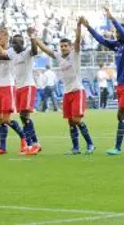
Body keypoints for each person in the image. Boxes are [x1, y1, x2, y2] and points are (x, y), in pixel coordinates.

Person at [82, 5, 124, 155]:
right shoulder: (117, 46)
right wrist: (88, 26)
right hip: (121, 84)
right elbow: (101, 39)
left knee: (121, 113)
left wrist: (112, 18)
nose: (116, 34)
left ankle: (117, 147)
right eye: (115, 32)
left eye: (118, 32)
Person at [32, 17, 95, 154]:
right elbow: (46, 49)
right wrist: (35, 39)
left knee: (77, 120)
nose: (63, 48)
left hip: (77, 91)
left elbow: (78, 40)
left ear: (70, 47)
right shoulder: (59, 56)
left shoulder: (75, 55)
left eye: (66, 46)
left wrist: (78, 26)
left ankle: (90, 144)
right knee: (70, 122)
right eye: (61, 46)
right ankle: (76, 148)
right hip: (67, 93)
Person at [0, 29, 41, 155]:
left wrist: (33, 37)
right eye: (13, 44)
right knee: (23, 117)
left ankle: (32, 144)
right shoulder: (13, 53)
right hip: (18, 88)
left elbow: (35, 50)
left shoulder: (27, 52)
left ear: (22, 43)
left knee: (24, 115)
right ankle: (32, 144)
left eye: (16, 44)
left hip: (28, 86)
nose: (14, 46)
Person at [0, 29, 27, 155]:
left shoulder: (12, 50)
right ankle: (2, 147)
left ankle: (23, 137)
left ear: (7, 38)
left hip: (8, 86)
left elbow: (1, 54)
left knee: (6, 119)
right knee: (0, 119)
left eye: (0, 38)